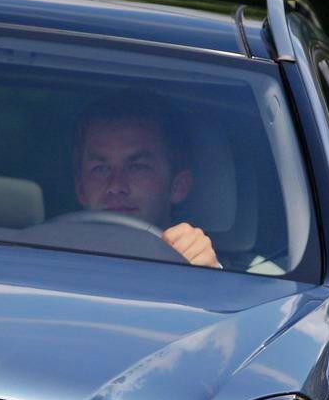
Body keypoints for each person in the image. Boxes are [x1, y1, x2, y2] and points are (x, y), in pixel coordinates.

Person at [72, 89, 220, 268]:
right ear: (80, 189)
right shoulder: (43, 261)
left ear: (178, 186)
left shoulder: (197, 266)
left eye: (136, 167)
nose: (116, 185)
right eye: (101, 169)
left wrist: (207, 273)